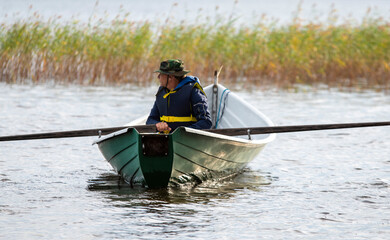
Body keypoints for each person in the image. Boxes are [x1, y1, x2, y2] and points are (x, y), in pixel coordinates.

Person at [146, 59, 212, 133]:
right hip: (165, 139)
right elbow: (150, 120)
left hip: (186, 139)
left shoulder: (194, 91)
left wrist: (182, 133)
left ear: (170, 77)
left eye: (161, 74)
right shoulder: (162, 93)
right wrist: (157, 124)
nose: (158, 77)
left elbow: (206, 122)